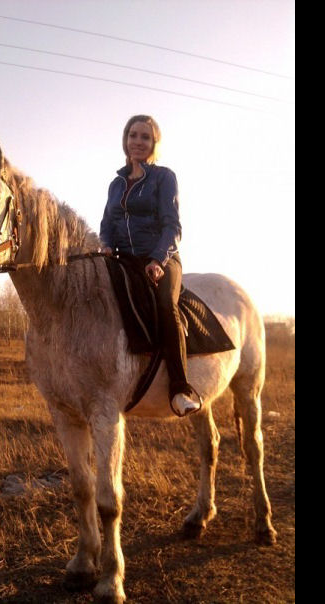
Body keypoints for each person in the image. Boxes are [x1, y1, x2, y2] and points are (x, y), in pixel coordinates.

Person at [99, 114, 202, 417]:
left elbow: (172, 226)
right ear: (125, 140)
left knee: (165, 304)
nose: (138, 142)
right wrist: (105, 245)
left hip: (161, 257)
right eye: (133, 135)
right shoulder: (116, 184)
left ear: (154, 143)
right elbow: (107, 224)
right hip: (123, 259)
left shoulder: (163, 177)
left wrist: (158, 259)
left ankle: (180, 388)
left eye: (145, 137)